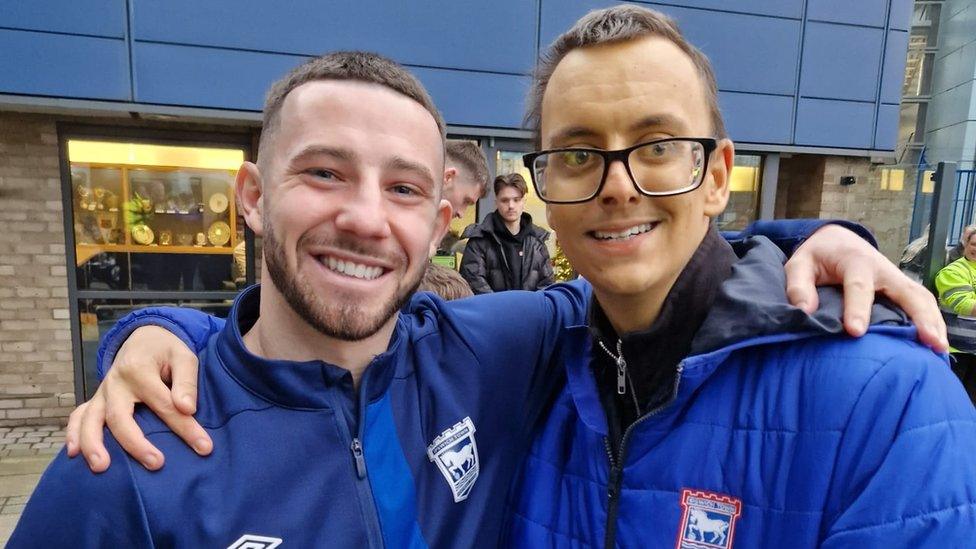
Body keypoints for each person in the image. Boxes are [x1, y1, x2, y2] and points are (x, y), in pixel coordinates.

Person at [45, 17, 951, 549]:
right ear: (249, 196)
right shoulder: (126, 460)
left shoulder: (490, 353)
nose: (367, 217)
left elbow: (680, 272)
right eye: (323, 173)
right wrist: (158, 331)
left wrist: (818, 238)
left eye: (403, 187)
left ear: (443, 218)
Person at [505, 6, 975, 546]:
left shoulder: (890, 401)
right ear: (546, 188)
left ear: (717, 177)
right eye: (579, 154)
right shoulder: (527, 374)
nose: (617, 186)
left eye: (657, 146)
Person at [459, 173, 554, 293]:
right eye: (505, 200)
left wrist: (530, 309)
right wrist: (504, 309)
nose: (511, 206)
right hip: (492, 311)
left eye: (516, 200)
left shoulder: (537, 242)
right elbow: (473, 283)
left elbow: (547, 286)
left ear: (523, 201)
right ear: (496, 202)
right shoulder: (479, 240)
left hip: (530, 311)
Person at [935, 225, 976, 401]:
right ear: (965, 244)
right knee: (952, 401)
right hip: (957, 353)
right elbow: (964, 304)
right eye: (974, 244)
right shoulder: (953, 271)